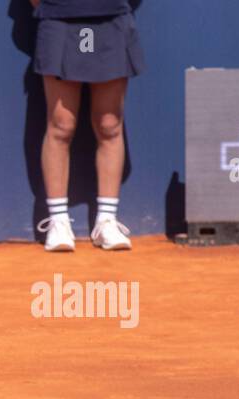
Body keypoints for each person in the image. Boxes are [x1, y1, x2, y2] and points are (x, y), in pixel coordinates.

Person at [31, 0, 145, 251]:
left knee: (109, 124)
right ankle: (59, 223)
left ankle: (106, 221)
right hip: (59, 19)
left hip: (111, 19)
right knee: (61, 124)